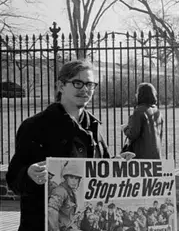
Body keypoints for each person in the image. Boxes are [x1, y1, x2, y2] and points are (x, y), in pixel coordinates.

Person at [6, 60, 120, 231]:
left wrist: (117, 165)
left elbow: (100, 170)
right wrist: (28, 174)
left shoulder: (95, 127)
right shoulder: (35, 126)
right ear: (61, 86)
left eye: (90, 84)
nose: (85, 89)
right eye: (78, 83)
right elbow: (14, 178)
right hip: (42, 223)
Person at [123, 82, 164, 159]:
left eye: (137, 92)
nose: (136, 95)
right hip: (156, 154)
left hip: (141, 156)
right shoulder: (157, 111)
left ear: (140, 95)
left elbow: (133, 134)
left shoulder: (139, 111)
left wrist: (125, 128)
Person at [47, 160, 83, 231]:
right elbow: (51, 210)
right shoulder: (61, 191)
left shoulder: (71, 193)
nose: (74, 181)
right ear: (66, 179)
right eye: (71, 178)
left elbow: (65, 215)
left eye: (76, 179)